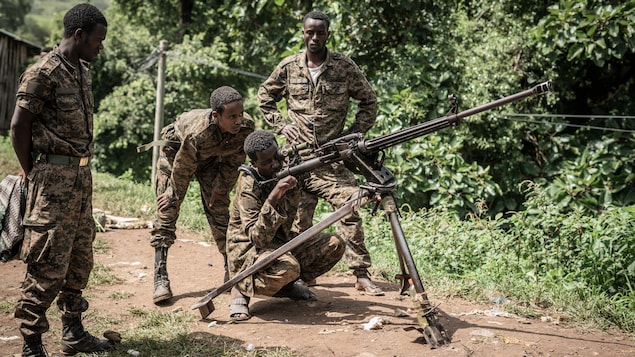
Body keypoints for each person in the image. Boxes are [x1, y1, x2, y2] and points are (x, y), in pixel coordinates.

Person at [10, 4, 115, 356]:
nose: (101, 46)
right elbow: (18, 126)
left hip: (81, 178)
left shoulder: (81, 71)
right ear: (79, 35)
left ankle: (73, 332)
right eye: (98, 40)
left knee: (79, 257)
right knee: (46, 262)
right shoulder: (43, 73)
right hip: (52, 180)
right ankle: (32, 344)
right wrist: (31, 172)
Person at [257, 10, 384, 295]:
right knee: (299, 222)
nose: (314, 37)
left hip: (332, 159)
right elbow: (264, 97)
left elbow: (369, 100)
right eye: (309, 32)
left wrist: (352, 135)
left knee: (350, 207)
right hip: (298, 160)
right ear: (303, 33)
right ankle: (303, 275)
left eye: (320, 33)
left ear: (328, 34)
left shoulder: (343, 67)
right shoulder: (289, 67)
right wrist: (281, 124)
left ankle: (361, 273)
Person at [225, 130, 346, 321]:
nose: (274, 164)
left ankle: (285, 287)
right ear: (254, 164)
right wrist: (275, 195)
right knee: (289, 268)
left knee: (334, 243)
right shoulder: (249, 186)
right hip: (249, 251)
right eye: (266, 162)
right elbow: (258, 238)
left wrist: (353, 196)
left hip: (281, 242)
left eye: (277, 157)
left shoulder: (286, 168)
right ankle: (241, 288)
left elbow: (319, 186)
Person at [150, 86, 255, 304]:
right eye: (232, 117)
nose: (238, 120)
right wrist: (173, 193)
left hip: (210, 159)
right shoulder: (198, 132)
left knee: (218, 208)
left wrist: (221, 188)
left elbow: (235, 159)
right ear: (216, 116)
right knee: (167, 209)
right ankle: (160, 277)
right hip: (176, 156)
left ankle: (231, 269)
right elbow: (183, 166)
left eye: (240, 114)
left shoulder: (245, 128)